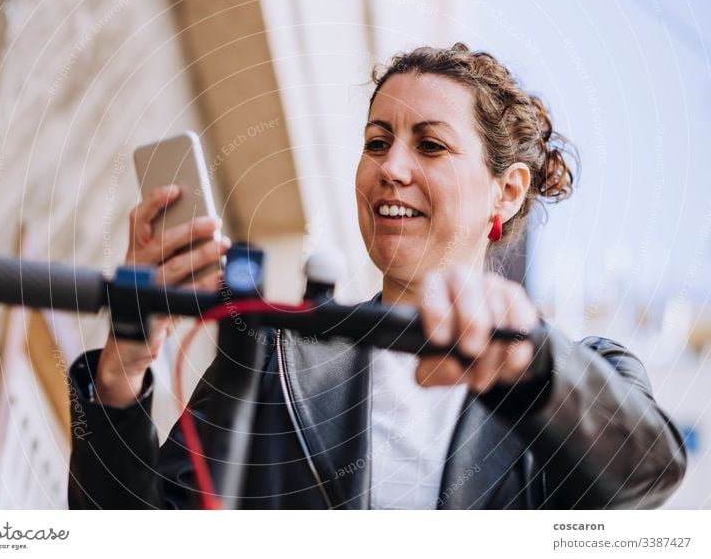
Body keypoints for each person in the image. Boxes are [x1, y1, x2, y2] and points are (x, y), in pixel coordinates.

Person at [67, 43, 686, 510]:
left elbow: (648, 473)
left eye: (431, 146)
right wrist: (123, 367)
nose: (391, 167)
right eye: (376, 140)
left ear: (506, 191)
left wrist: (534, 367)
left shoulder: (584, 375)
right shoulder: (271, 356)